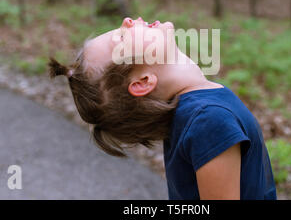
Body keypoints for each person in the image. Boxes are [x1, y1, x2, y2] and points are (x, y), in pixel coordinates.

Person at [48, 16, 276, 200]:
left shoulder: (193, 112)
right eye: (120, 37)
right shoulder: (208, 120)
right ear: (142, 83)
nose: (127, 20)